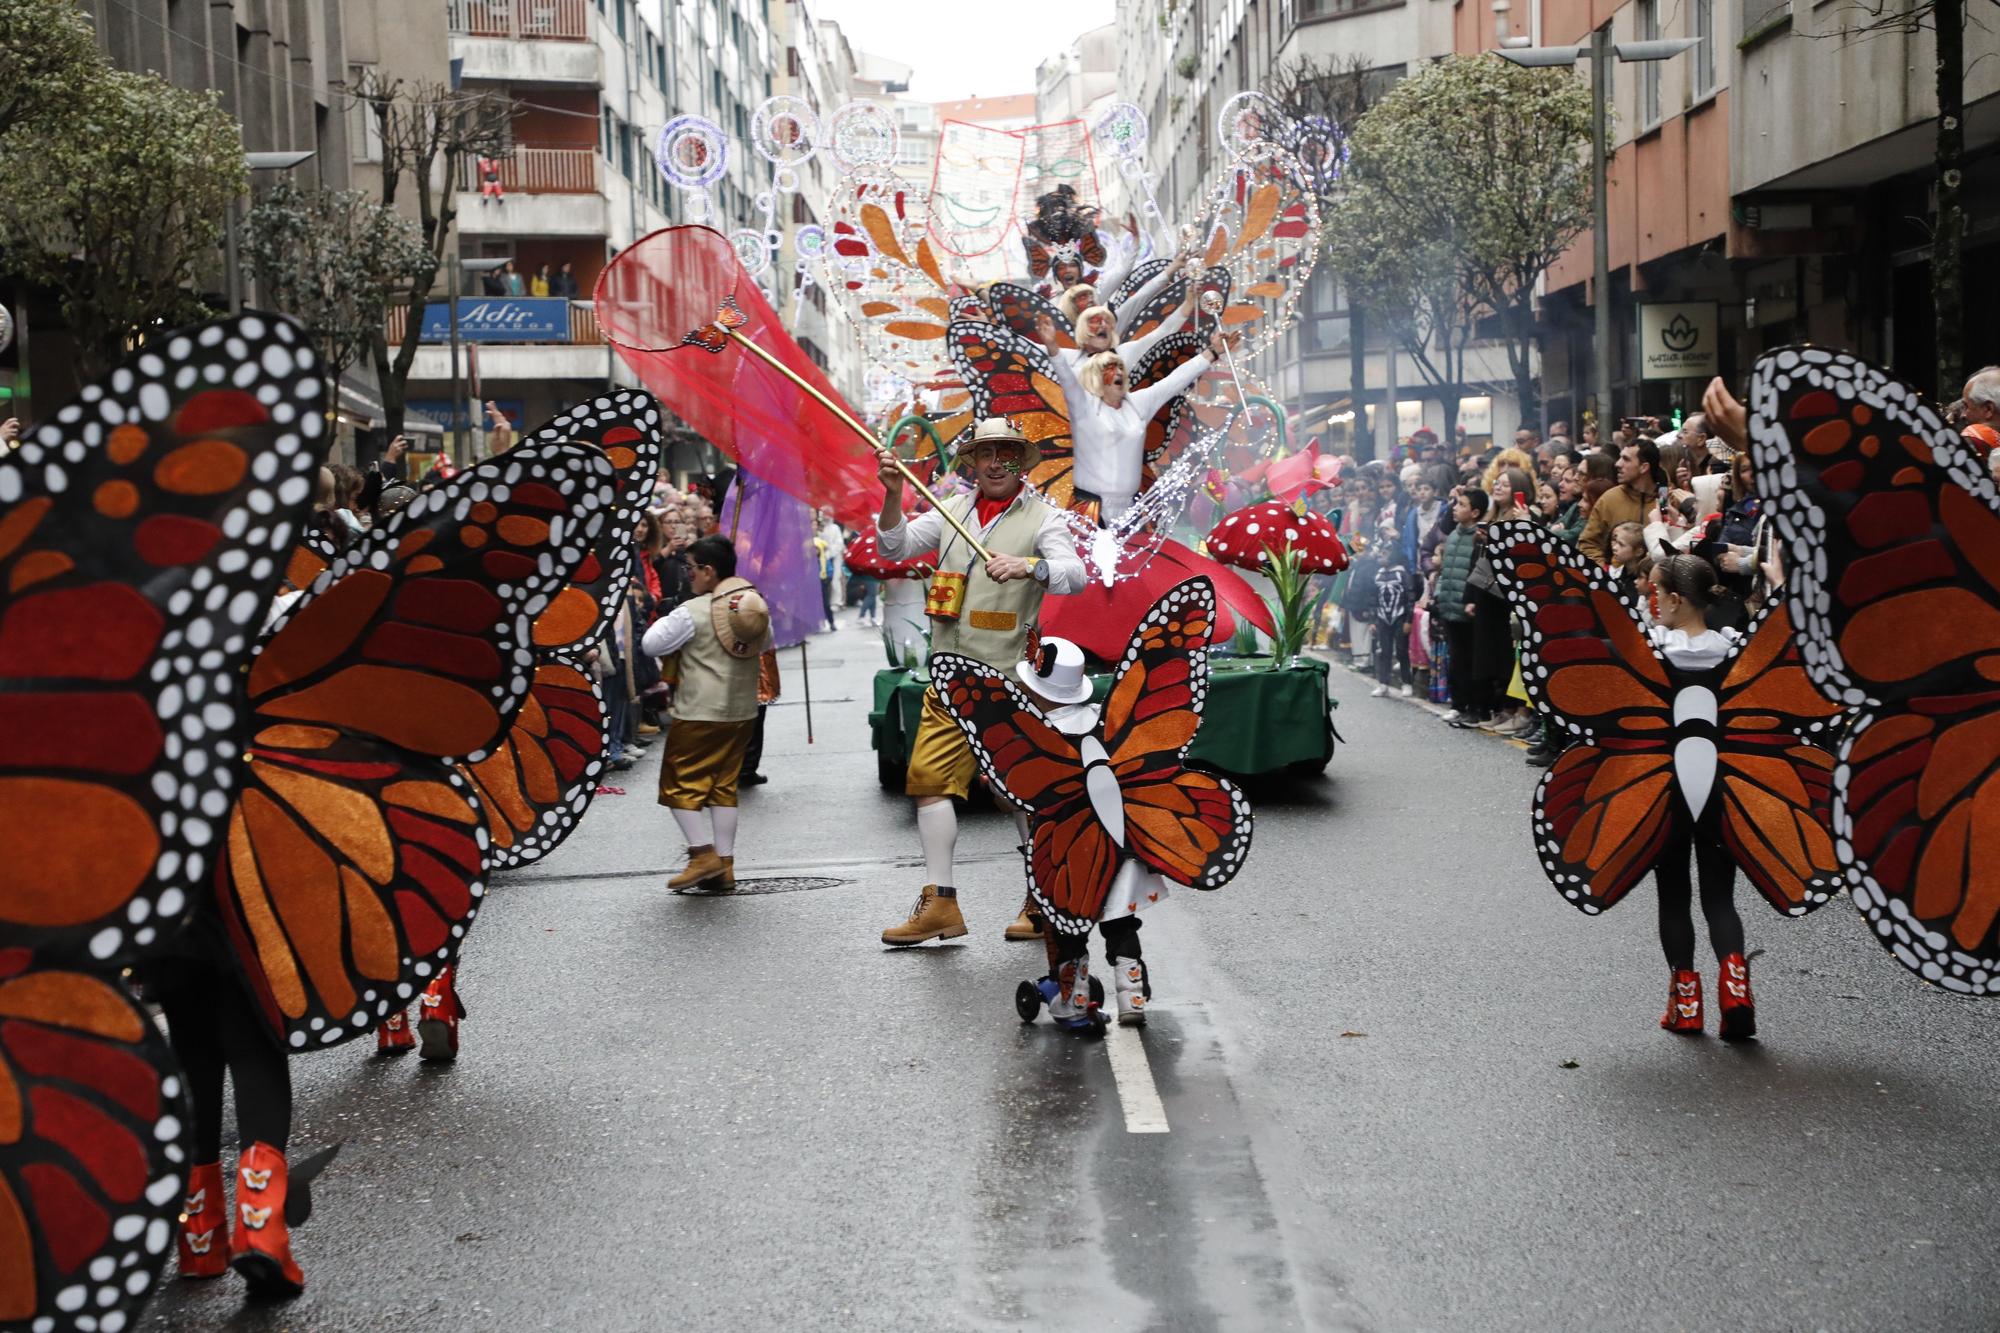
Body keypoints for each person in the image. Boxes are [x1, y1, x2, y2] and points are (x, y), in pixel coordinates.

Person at [875, 418, 1086, 946]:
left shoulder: (1044, 518)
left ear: (1021, 461)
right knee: (927, 783)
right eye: (985, 453)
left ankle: (1043, 897)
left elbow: (1075, 575)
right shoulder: (949, 511)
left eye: (1007, 453)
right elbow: (894, 547)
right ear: (970, 461)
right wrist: (894, 495)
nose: (995, 462)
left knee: (1019, 791)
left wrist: (1030, 567)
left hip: (1009, 681)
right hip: (949, 674)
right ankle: (940, 903)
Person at [1013, 637, 1163, 1027]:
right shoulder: (1106, 721)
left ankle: (1074, 1002)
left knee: (1068, 927)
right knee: (1120, 922)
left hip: (1067, 849)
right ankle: (1133, 999)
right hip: (1120, 840)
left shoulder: (1036, 737)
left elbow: (1017, 792)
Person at [1646, 553, 1759, 1038]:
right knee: (1719, 894)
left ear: (1675, 599)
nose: (1648, 599)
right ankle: (1736, 989)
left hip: (1667, 786)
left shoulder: (1650, 649)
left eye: (1653, 591)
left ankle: (1686, 1003)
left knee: (1673, 895)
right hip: (1720, 783)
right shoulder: (1734, 648)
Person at [640, 533, 772, 892]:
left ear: (709, 571)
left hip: (700, 710)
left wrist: (676, 613)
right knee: (722, 787)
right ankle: (724, 866)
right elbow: (769, 642)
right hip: (742, 710)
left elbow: (651, 643)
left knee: (678, 784)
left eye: (691, 568)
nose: (688, 574)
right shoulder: (753, 607)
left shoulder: (691, 611)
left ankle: (702, 855)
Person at [1430, 486, 1485, 724]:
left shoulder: (1480, 537)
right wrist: (1439, 595)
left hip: (1467, 608)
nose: (1455, 508)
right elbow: (1444, 572)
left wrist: (1470, 600)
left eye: (1461, 505)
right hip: (1449, 605)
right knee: (1455, 658)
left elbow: (1475, 573)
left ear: (1475, 512)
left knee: (1470, 659)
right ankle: (1458, 704)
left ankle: (1475, 707)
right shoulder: (1453, 535)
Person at [1577, 437, 1660, 562]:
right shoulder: (1609, 499)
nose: (1618, 464)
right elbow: (1588, 544)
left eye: (1626, 459)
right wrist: (1605, 571)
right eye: (1620, 458)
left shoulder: (1667, 500)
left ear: (1644, 467)